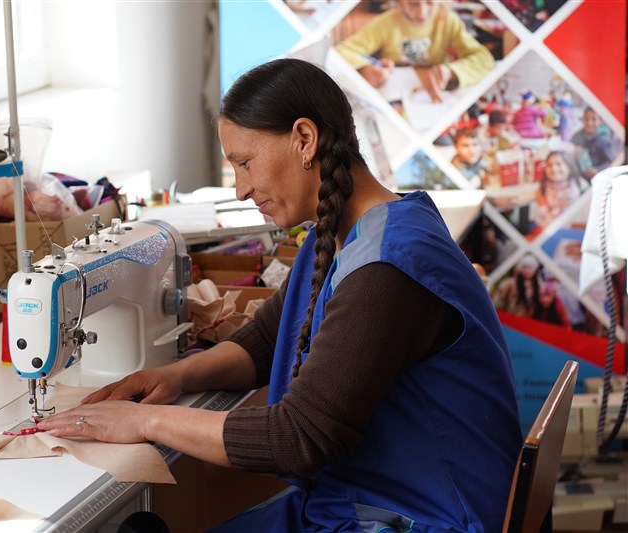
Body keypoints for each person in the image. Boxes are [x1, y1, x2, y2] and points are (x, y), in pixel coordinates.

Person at [38, 58, 522, 533]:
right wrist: (171, 376)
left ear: (304, 139)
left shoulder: (387, 268)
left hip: (425, 517)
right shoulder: (338, 235)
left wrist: (146, 422)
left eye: (244, 163)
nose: (241, 188)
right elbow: (268, 341)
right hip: (362, 502)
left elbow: (299, 438)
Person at [335, 0, 494, 103]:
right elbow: (342, 51)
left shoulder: (449, 21)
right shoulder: (385, 23)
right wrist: (364, 68)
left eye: (430, 3)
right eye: (413, 4)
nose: (422, 13)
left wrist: (451, 72)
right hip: (394, 92)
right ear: (400, 3)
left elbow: (484, 58)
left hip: (433, 93)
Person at [534, 151, 585, 231]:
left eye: (558, 164)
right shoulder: (549, 185)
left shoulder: (576, 188)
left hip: (570, 232)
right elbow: (539, 192)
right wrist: (542, 204)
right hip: (549, 229)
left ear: (569, 166)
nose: (554, 168)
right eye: (549, 165)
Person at [571, 107, 617, 181]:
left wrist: (597, 170)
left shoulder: (604, 140)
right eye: (586, 119)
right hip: (578, 178)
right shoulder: (577, 136)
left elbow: (610, 162)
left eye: (594, 119)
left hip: (596, 180)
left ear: (600, 120)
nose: (589, 123)